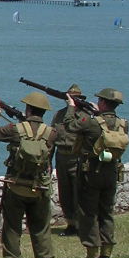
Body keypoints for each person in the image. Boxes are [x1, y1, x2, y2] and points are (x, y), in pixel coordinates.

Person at [0, 92, 58, 258]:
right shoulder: (51, 132)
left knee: (12, 230)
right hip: (41, 187)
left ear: (28, 109)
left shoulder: (14, 129)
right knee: (41, 229)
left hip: (16, 186)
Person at [64, 88, 129, 258]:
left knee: (88, 213)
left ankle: (91, 255)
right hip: (111, 172)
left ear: (102, 102)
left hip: (91, 173)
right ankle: (106, 255)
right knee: (107, 213)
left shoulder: (91, 122)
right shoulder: (123, 123)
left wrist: (72, 107)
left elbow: (69, 125)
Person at [51, 84, 84, 237]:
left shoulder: (84, 116)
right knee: (65, 193)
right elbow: (51, 138)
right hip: (61, 157)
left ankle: (81, 224)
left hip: (77, 157)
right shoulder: (59, 115)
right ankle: (70, 224)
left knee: (79, 193)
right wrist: (48, 161)